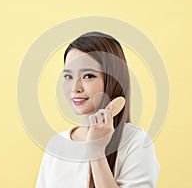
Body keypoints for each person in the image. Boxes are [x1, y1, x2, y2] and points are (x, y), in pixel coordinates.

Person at [35, 32, 160, 188]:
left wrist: (96, 151)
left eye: (88, 76)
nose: (75, 88)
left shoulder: (136, 142)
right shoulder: (56, 145)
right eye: (68, 76)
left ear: (112, 81)